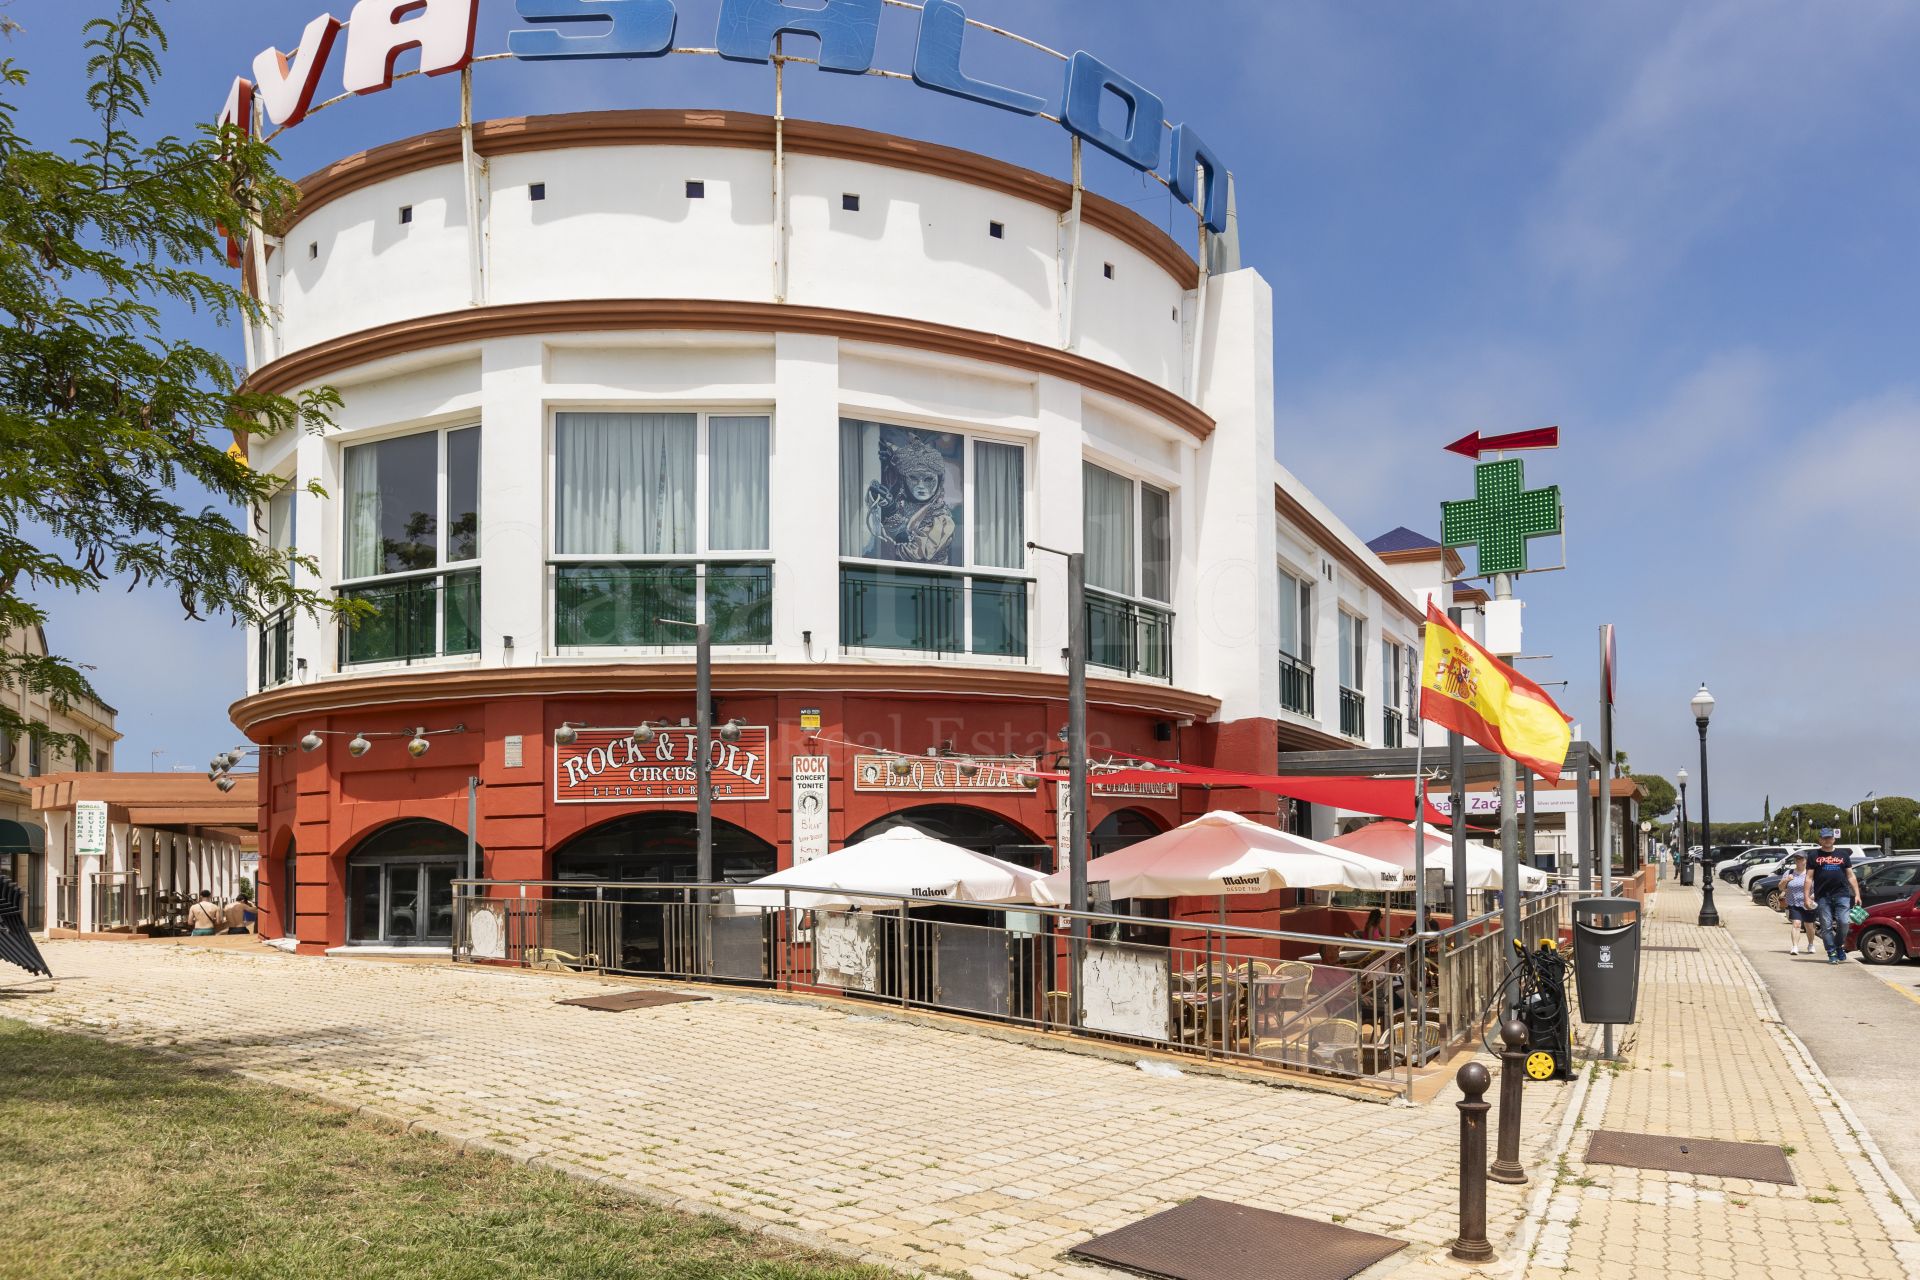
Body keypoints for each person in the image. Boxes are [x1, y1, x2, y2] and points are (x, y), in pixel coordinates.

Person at [1808, 828, 1864, 964]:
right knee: (1826, 926)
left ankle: (1838, 946)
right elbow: (1809, 878)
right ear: (1820, 840)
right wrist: (1806, 897)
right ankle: (1831, 951)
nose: (1827, 840)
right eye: (1824, 838)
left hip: (1842, 894)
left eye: (1830, 837)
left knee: (1844, 923)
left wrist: (1857, 894)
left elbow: (1850, 875)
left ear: (1834, 839)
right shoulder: (1814, 855)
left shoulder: (1843, 854)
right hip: (1822, 896)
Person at [1780, 853, 1819, 955]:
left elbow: (1818, 888)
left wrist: (1812, 897)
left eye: (1801, 859)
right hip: (1794, 903)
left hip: (1808, 903)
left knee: (1809, 925)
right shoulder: (1789, 872)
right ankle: (1795, 947)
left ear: (1806, 860)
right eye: (1796, 859)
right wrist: (1786, 880)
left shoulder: (1811, 873)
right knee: (1796, 924)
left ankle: (1811, 944)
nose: (1799, 861)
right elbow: (1781, 887)